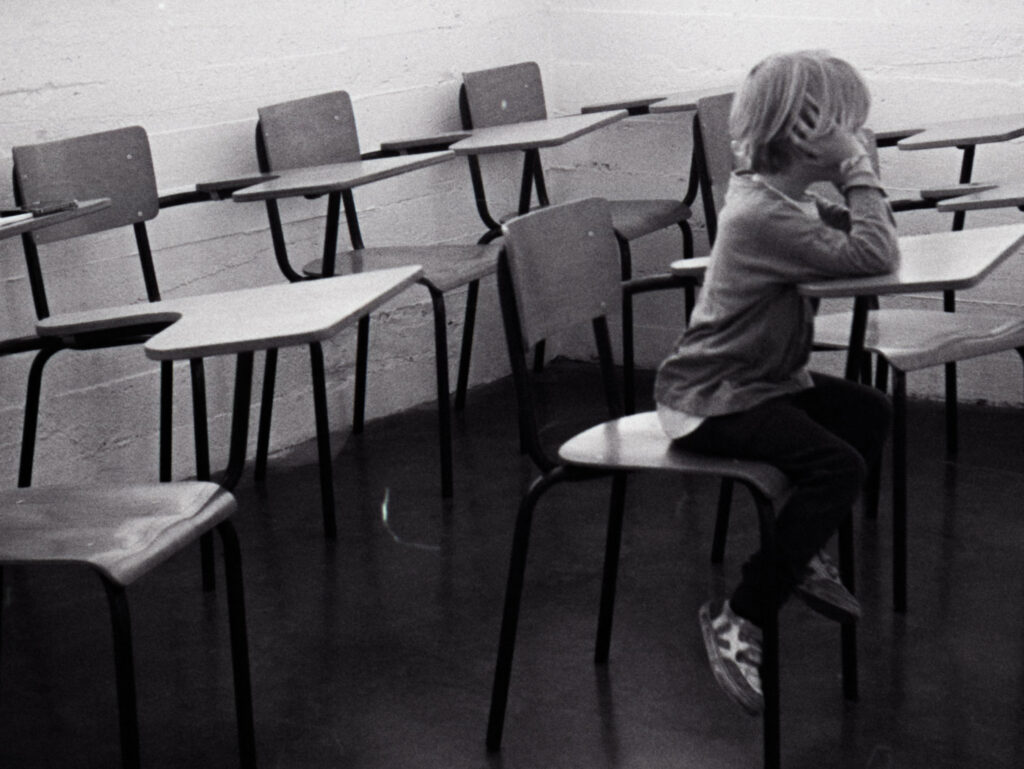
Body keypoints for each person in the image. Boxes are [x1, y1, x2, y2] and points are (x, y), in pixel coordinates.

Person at [653, 50, 899, 715]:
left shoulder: (784, 202)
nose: (857, 138)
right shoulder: (766, 216)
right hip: (711, 398)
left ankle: (803, 549)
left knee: (870, 412)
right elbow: (876, 252)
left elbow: (873, 243)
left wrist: (854, 189)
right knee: (837, 465)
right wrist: (858, 172)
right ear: (802, 133)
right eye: (845, 126)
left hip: (758, 383)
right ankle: (741, 615)